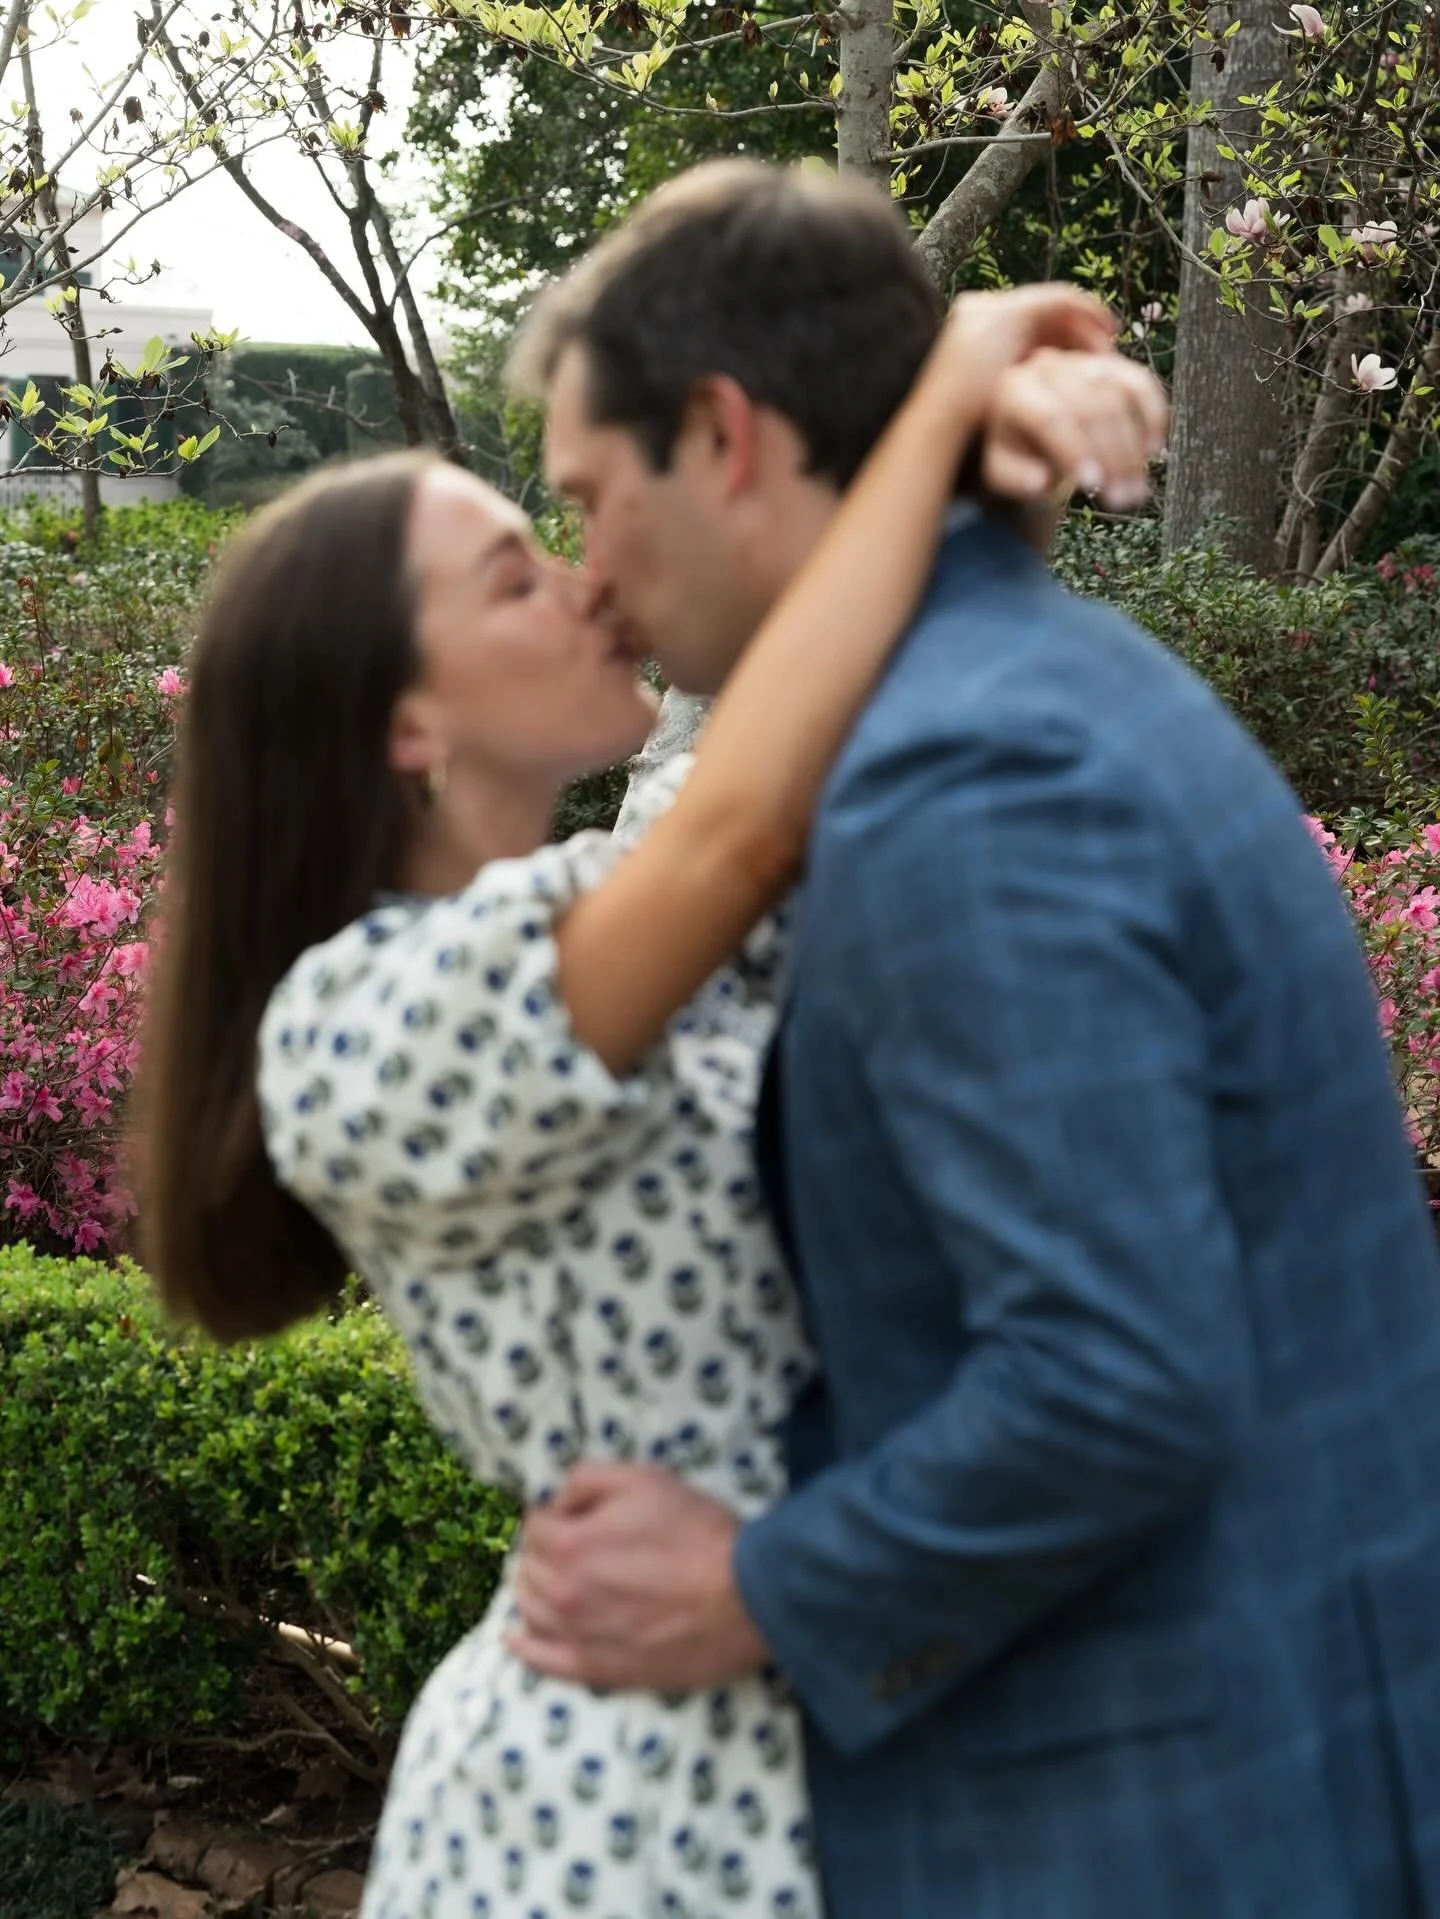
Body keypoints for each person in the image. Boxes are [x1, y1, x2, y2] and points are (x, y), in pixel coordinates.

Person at [135, 275, 1163, 1918]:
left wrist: (998, 466)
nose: (590, 577)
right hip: (629, 1826)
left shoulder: (630, 908)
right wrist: (937, 390)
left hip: (844, 1727)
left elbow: (822, 745)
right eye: (516, 574)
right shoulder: (361, 1020)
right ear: (410, 720)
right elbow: (750, 816)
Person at [507, 159, 1440, 1919]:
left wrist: (762, 1586)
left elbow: (1114, 1372)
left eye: (589, 494)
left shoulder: (964, 780)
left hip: (1163, 1825)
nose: (587, 566)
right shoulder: (1008, 685)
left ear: (720, 437)